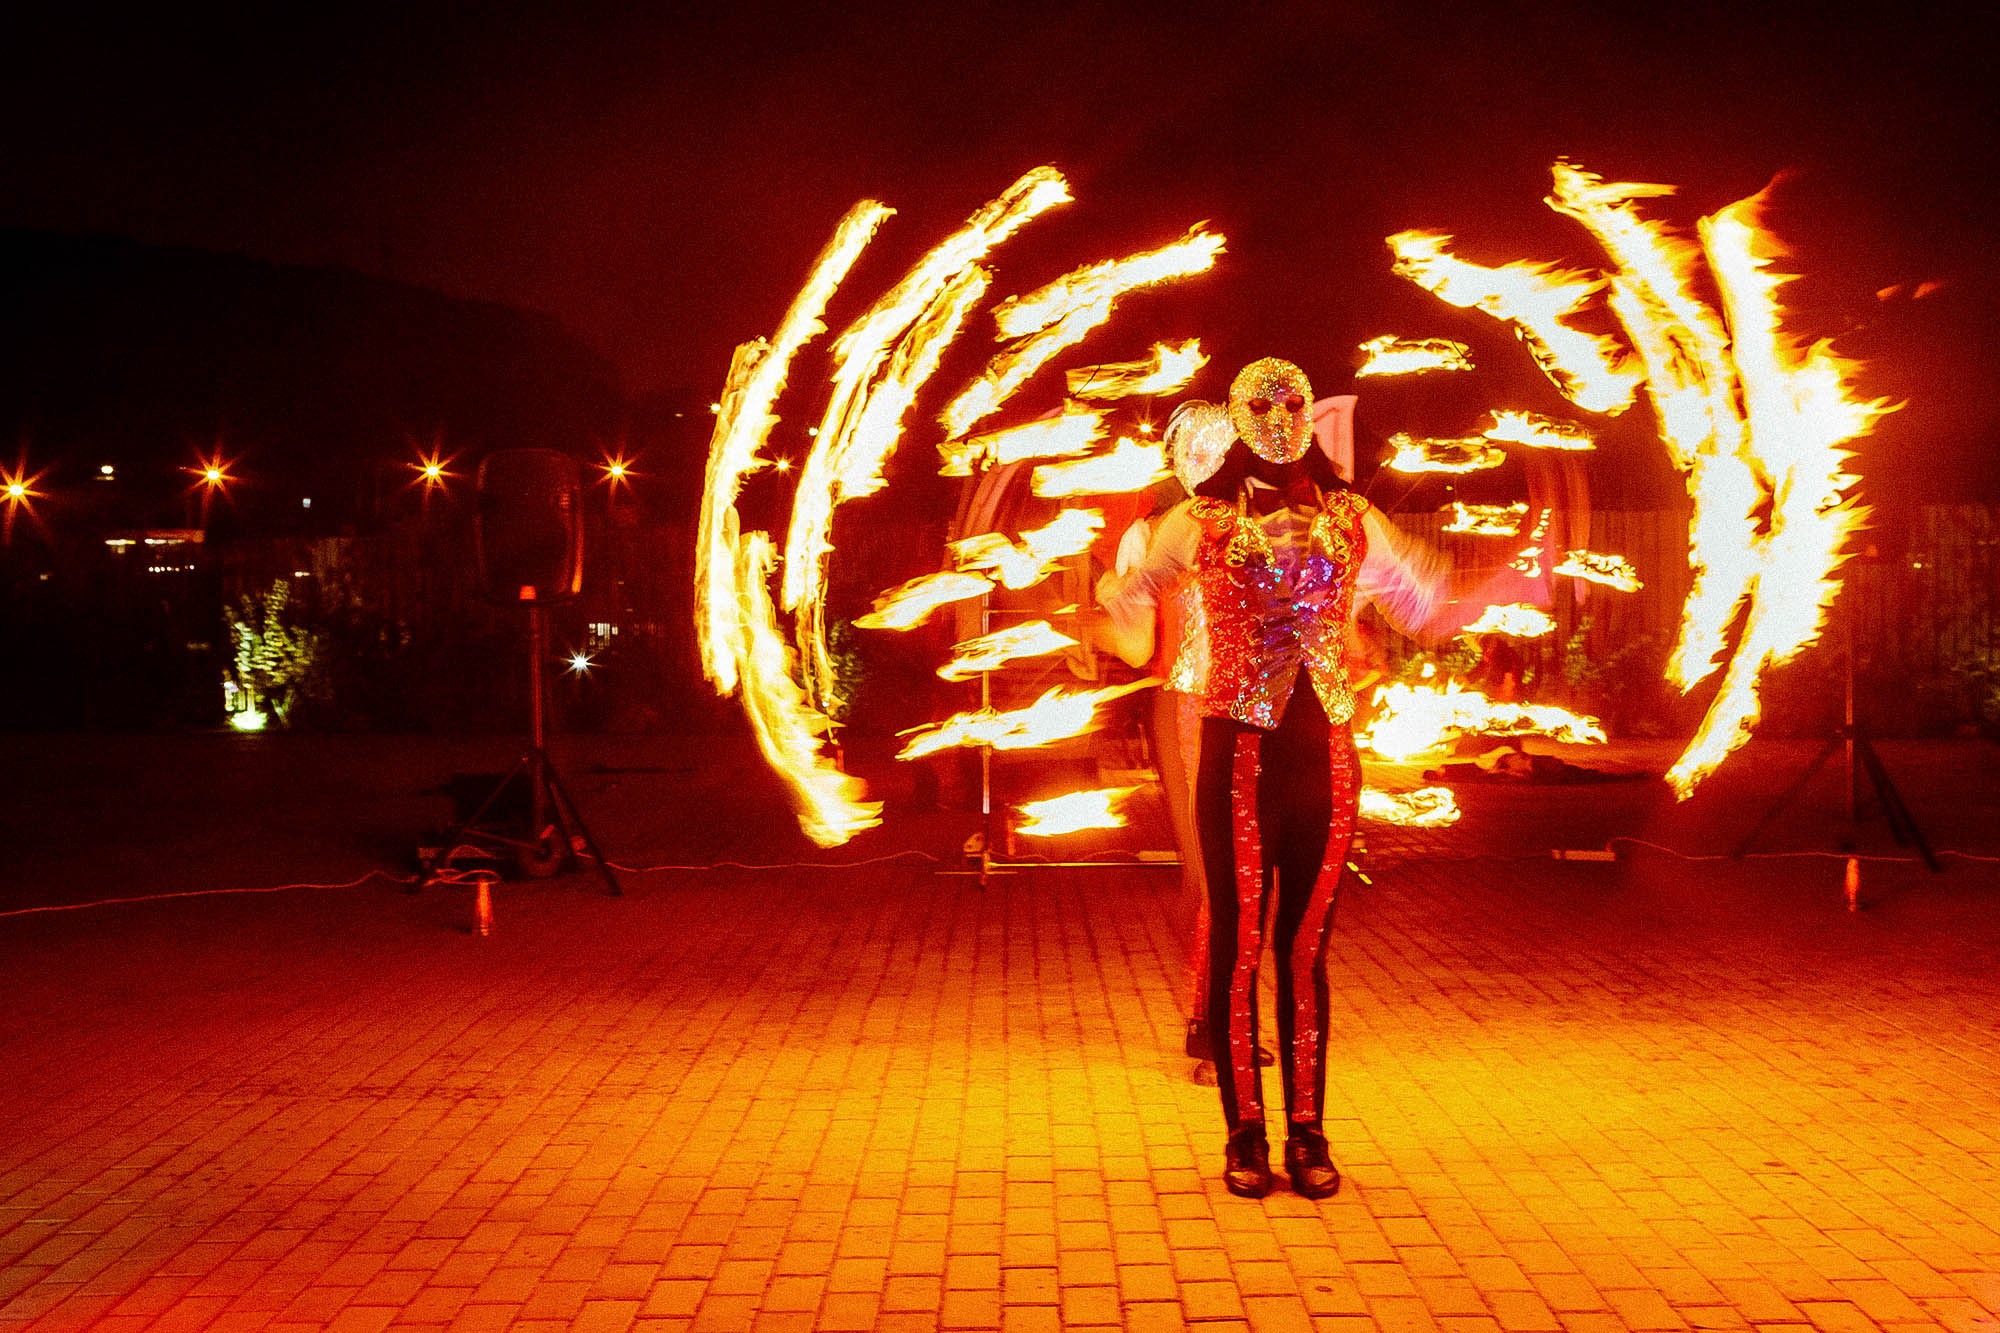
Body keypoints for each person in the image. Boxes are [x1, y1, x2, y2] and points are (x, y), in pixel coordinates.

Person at [1096, 357, 1451, 1199]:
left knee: (1305, 950)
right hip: (1237, 752)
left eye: (1295, 402)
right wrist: (1113, 599)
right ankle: (1245, 1133)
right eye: (1264, 404)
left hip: (1324, 751)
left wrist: (1489, 586)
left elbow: (1420, 599)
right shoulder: (1201, 519)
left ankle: (1310, 1133)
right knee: (1239, 942)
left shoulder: (1352, 517)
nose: (1283, 417)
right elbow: (1136, 598)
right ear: (1239, 417)